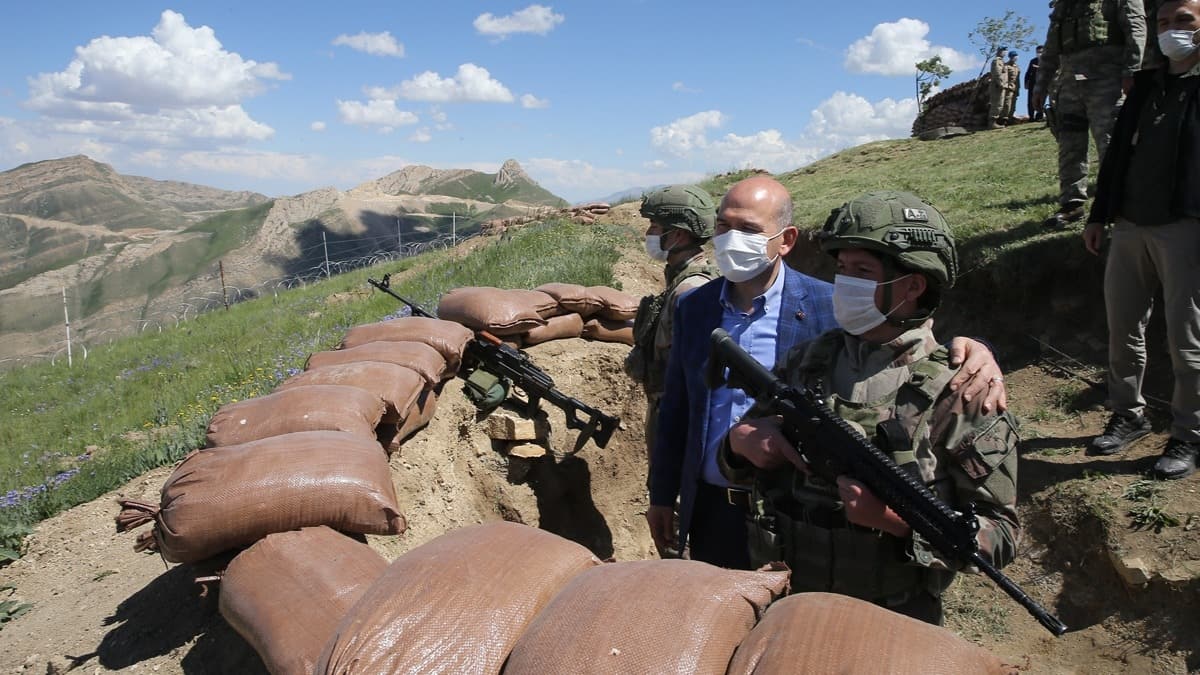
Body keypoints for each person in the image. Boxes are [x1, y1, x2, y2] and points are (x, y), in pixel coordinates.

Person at [646, 176, 1008, 569]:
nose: (732, 239)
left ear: (785, 240)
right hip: (719, 511)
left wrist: (977, 349)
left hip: (810, 540)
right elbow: (678, 407)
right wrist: (672, 488)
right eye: (723, 226)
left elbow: (896, 344)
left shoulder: (828, 308)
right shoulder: (699, 309)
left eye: (749, 229)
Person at [720, 191, 1020, 624]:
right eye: (842, 269)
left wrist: (898, 522)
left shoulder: (962, 389)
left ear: (914, 285)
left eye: (862, 271)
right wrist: (737, 444)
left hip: (892, 619)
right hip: (787, 605)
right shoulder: (807, 362)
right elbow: (738, 463)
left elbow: (1002, 537)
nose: (845, 283)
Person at [1081, 0, 1200, 479]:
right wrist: (1099, 214)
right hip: (1130, 224)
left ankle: (1189, 434)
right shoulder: (1147, 85)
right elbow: (1115, 156)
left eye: (1185, 21)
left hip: (1185, 227)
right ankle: (1128, 414)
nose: (1172, 30)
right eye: (1165, 22)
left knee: (1186, 338)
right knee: (1122, 326)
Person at [624, 185, 719, 468]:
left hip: (678, 415)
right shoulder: (680, 282)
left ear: (677, 234)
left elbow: (696, 373)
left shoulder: (691, 290)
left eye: (654, 226)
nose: (649, 234)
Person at [1032, 0, 1148, 229]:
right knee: (1070, 147)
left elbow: (1136, 28)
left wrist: (1132, 71)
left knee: (1111, 144)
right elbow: (1051, 47)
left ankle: (1119, 204)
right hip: (1069, 86)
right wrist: (1040, 85)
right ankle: (1071, 204)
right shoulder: (1064, 6)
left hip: (1107, 82)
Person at [989, 46, 1011, 129]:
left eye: (1005, 51)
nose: (1004, 52)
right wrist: (1001, 84)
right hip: (998, 86)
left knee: (1000, 104)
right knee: (997, 104)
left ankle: (996, 121)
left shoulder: (1002, 61)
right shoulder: (997, 61)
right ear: (999, 51)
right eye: (1003, 51)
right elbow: (997, 73)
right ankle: (992, 122)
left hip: (1002, 85)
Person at [1026, 45, 1046, 120]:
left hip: (1043, 83)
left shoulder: (1047, 61)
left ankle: (1039, 115)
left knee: (1041, 100)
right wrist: (1026, 82)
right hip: (1033, 83)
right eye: (1038, 52)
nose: (1039, 53)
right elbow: (1028, 72)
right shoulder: (1033, 61)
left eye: (1041, 52)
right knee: (1031, 101)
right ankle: (1031, 116)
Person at [1005, 51, 1022, 123]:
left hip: (1015, 87)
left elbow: (1018, 79)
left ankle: (1010, 118)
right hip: (1008, 87)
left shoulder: (1017, 67)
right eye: (1014, 56)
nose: (1016, 58)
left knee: (1013, 104)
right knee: (1007, 104)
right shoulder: (1006, 66)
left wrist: (1018, 88)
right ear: (1010, 57)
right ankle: (1004, 119)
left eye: (1016, 56)